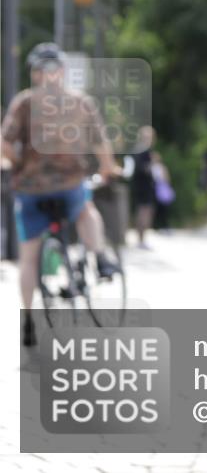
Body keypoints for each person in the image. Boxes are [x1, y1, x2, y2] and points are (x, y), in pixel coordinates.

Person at [1, 43, 122, 347]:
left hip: (30, 189)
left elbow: (4, 144)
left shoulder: (25, 103)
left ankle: (29, 320)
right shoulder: (80, 102)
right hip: (69, 185)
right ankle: (99, 257)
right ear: (63, 71)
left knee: (28, 259)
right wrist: (108, 170)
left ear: (35, 73)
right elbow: (100, 144)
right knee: (86, 211)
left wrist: (18, 164)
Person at [131, 126, 156, 249]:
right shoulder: (144, 151)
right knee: (144, 212)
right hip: (144, 186)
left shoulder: (137, 150)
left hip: (139, 185)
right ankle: (141, 240)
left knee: (142, 211)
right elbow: (143, 169)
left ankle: (140, 239)